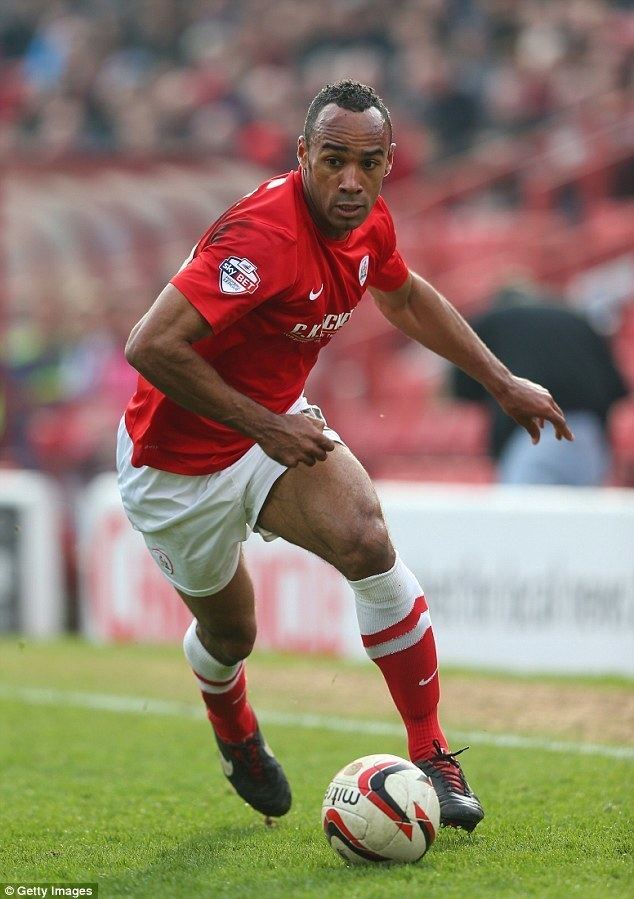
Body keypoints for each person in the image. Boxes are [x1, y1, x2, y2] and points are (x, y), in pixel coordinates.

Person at [117, 80, 573, 833]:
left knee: (367, 537)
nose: (351, 181)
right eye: (333, 160)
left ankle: (431, 753)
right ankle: (234, 727)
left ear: (390, 161)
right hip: (176, 463)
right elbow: (149, 346)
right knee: (232, 635)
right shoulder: (263, 235)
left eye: (369, 162)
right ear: (303, 155)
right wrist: (264, 424)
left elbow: (403, 296)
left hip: (271, 430)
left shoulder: (367, 221)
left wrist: (499, 379)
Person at [452, 283, 627, 486]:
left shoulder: (494, 319)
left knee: (524, 515)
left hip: (532, 435)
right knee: (578, 516)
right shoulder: (577, 318)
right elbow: (616, 389)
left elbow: (461, 390)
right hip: (588, 436)